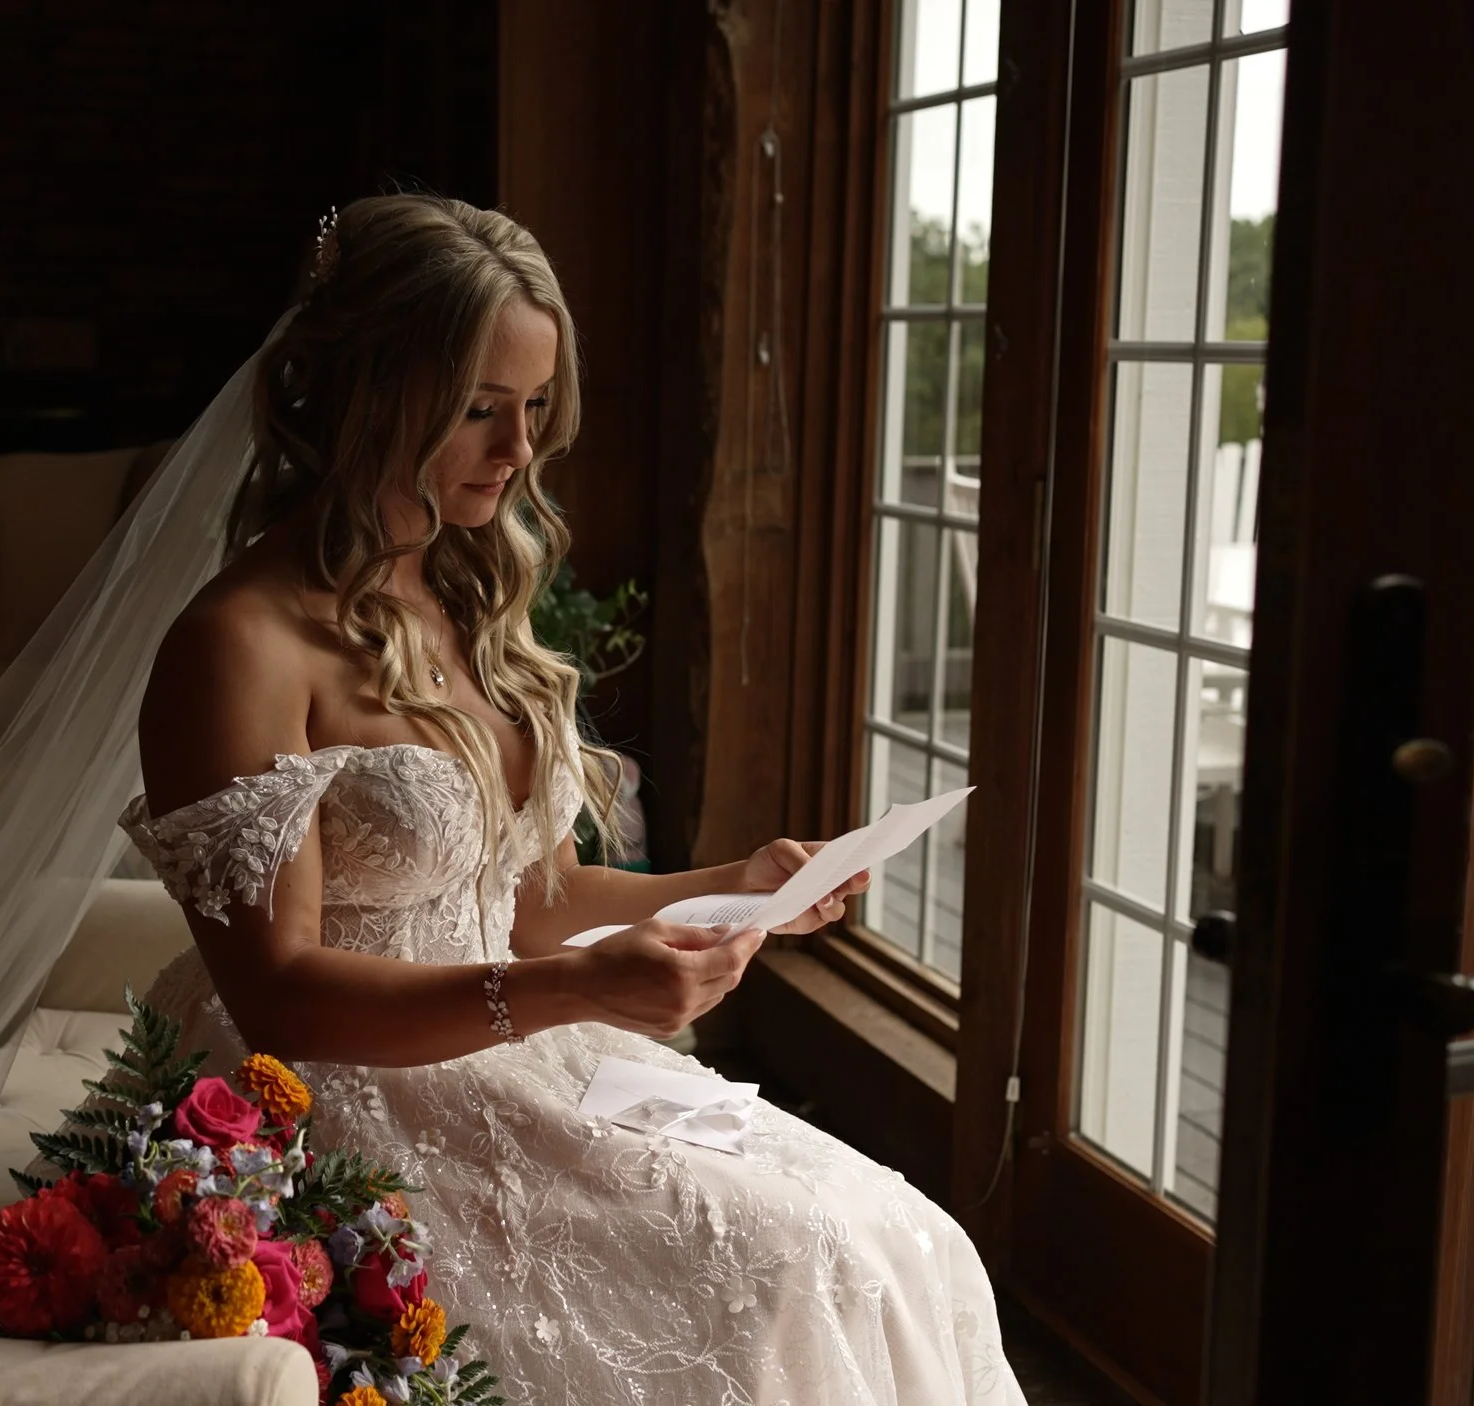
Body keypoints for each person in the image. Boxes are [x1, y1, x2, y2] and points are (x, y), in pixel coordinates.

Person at [124, 194, 1025, 1405]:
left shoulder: (458, 585)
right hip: (336, 1102)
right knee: (790, 1266)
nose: (518, 450)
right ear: (368, 391)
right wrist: (581, 988)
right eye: (479, 409)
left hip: (518, 1037)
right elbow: (278, 993)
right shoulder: (237, 645)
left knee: (906, 1241)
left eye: (535, 407)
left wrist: (733, 883)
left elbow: (522, 896)